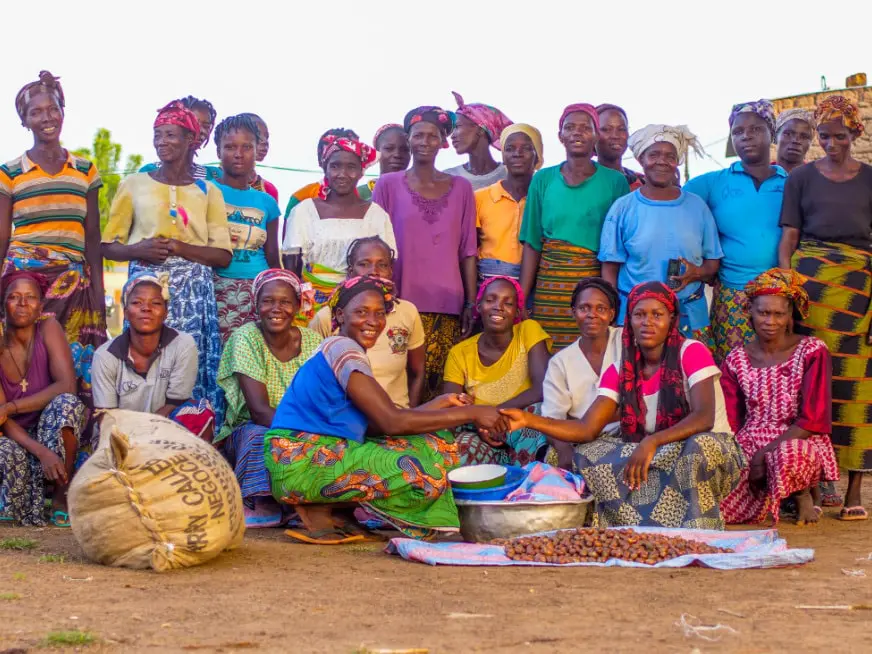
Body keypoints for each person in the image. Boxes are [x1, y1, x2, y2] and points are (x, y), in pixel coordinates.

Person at [264, 275, 509, 544]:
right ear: (340, 315)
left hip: (309, 457)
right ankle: (320, 506)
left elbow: (376, 425)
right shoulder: (344, 350)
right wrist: (474, 413)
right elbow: (391, 422)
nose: (373, 321)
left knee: (435, 443)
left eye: (379, 313)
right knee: (422, 468)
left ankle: (334, 510)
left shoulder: (346, 350)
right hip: (300, 462)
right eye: (361, 312)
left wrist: (439, 403)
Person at [502, 282, 744, 529]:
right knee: (586, 453)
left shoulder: (691, 352)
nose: (647, 322)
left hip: (707, 446)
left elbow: (704, 417)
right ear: (629, 321)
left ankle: (697, 527)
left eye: (657, 315)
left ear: (671, 319)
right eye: (639, 315)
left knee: (697, 447)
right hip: (659, 449)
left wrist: (652, 442)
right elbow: (587, 429)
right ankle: (631, 525)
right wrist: (528, 419)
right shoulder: (620, 369)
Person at [103, 100, 232, 428]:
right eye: (157, 135)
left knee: (187, 368)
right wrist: (140, 248)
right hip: (147, 290)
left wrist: (179, 247)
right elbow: (108, 246)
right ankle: (138, 431)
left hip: (193, 296)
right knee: (145, 364)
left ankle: (191, 434)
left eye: (171, 135)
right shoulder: (134, 184)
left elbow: (222, 255)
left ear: (191, 139)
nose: (162, 142)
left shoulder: (208, 191)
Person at [778, 95, 872, 520]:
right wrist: (790, 294)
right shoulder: (801, 178)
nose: (831, 144)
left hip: (857, 291)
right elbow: (789, 240)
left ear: (856, 133)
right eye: (824, 136)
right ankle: (814, 485)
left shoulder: (870, 179)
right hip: (810, 289)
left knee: (856, 387)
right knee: (812, 386)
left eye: (840, 136)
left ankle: (854, 488)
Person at [0, 71, 107, 408]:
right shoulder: (10, 172)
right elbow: (2, 235)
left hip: (74, 284)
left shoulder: (85, 170)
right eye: (36, 112)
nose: (46, 118)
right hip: (23, 280)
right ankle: (18, 424)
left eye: (53, 109)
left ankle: (65, 430)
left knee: (72, 362)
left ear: (63, 111)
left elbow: (92, 237)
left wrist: (99, 292)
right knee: (23, 356)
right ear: (24, 121)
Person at [372, 106, 478, 401]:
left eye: (433, 136)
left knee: (437, 384)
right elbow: (377, 245)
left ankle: (432, 431)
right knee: (395, 379)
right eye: (418, 135)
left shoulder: (461, 188)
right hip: (398, 300)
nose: (424, 142)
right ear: (408, 139)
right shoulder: (388, 185)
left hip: (447, 302)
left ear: (443, 142)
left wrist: (470, 302)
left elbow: (468, 249)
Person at [719, 269, 838, 525]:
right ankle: (769, 499)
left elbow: (813, 419)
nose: (770, 321)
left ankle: (802, 494)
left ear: (789, 316)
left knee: (790, 454)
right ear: (750, 311)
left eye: (778, 314)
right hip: (752, 438)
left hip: (798, 437)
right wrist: (740, 455)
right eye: (763, 313)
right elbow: (731, 418)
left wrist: (763, 455)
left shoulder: (811, 350)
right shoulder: (736, 358)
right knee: (727, 512)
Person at [519, 104, 630, 350]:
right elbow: (532, 243)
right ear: (560, 136)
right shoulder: (543, 179)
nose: (577, 133)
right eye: (569, 128)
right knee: (547, 354)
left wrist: (611, 299)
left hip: (594, 285)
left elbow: (616, 249)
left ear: (596, 135)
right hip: (549, 286)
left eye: (585, 128)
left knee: (592, 353)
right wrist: (521, 297)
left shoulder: (616, 182)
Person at [217, 269, 321, 527]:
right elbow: (259, 411)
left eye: (285, 302)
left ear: (298, 306)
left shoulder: (313, 341)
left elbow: (320, 398)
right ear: (256, 305)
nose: (276, 309)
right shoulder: (246, 338)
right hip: (252, 427)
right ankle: (262, 502)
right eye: (268, 301)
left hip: (303, 426)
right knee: (259, 436)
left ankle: (301, 503)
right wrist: (310, 431)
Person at [600, 124, 720, 347]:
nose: (662, 161)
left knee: (691, 368)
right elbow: (610, 268)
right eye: (654, 155)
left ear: (677, 162)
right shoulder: (623, 208)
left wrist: (696, 273)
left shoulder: (697, 207)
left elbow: (713, 263)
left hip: (690, 315)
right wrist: (613, 313)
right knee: (637, 369)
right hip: (637, 317)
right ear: (641, 159)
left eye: (670, 156)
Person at [685, 101, 786, 363]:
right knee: (733, 372)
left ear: (771, 132)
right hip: (732, 299)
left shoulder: (791, 183)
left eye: (755, 129)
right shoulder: (713, 182)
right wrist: (701, 267)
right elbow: (673, 204)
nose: (746, 136)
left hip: (781, 297)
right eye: (738, 131)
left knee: (776, 373)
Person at [0, 272, 85, 527]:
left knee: (67, 404)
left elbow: (66, 385)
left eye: (30, 297)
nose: (23, 303)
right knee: (5, 451)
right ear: (3, 305)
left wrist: (11, 406)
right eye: (14, 297)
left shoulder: (49, 328)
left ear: (40, 307)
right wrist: (42, 453)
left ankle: (61, 494)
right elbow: (1, 418)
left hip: (50, 430)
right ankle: (19, 502)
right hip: (15, 437)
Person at [283, 132, 395, 318]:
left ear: (361, 171)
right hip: (311, 307)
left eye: (351, 167)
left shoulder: (376, 215)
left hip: (363, 306)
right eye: (335, 166)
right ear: (325, 168)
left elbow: (388, 264)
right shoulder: (304, 211)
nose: (342, 174)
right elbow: (292, 268)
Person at [442, 276, 551, 465]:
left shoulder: (528, 331)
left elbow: (542, 388)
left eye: (508, 303)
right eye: (490, 300)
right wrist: (479, 420)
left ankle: (525, 481)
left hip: (522, 426)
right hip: (481, 432)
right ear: (479, 306)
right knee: (460, 447)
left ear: (517, 312)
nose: (498, 307)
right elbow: (451, 406)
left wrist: (492, 414)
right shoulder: (459, 353)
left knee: (539, 411)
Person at [91, 271, 214, 438]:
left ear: (166, 312)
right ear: (125, 312)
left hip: (165, 432)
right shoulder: (105, 356)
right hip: (120, 435)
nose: (146, 308)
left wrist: (149, 436)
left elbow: (175, 404)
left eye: (155, 303)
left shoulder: (183, 345)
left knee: (200, 411)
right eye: (137, 302)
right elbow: (107, 417)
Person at [310, 236, 425, 408]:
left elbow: (418, 372)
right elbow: (312, 376)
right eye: (364, 264)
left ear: (391, 271)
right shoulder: (328, 317)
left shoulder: (407, 312)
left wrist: (410, 414)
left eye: (382, 265)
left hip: (397, 415)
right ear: (350, 272)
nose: (374, 271)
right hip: (344, 418)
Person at [211, 114, 281, 343]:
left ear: (256, 150)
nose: (238, 154)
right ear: (218, 151)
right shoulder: (204, 191)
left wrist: (282, 290)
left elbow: (273, 256)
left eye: (247, 147)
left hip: (258, 292)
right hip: (216, 288)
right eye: (230, 147)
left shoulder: (267, 202)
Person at [541, 278, 622, 470]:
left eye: (601, 309)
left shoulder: (626, 342)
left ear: (611, 314)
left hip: (626, 435)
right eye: (584, 308)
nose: (592, 315)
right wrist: (564, 449)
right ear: (573, 312)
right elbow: (551, 420)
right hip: (581, 440)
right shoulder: (560, 362)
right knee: (553, 458)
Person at [475, 124, 544, 283]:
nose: (517, 154)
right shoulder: (480, 198)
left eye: (526, 148)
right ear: (503, 156)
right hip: (488, 284)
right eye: (510, 148)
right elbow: (470, 251)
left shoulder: (544, 200)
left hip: (534, 283)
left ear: (537, 156)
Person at [283, 128, 360, 233]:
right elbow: (288, 240)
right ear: (321, 160)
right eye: (330, 152)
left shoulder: (365, 201)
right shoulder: (300, 198)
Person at [140, 96, 221, 181]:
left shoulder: (214, 175)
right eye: (193, 123)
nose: (201, 130)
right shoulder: (148, 173)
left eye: (206, 126)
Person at [444, 91, 513, 191]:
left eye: (457, 126)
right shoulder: (448, 179)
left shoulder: (511, 176)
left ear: (480, 129)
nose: (452, 136)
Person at [595, 104, 645, 190]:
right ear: (593, 134)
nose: (615, 136)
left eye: (622, 129)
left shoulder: (643, 183)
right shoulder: (580, 182)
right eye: (606, 129)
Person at [357, 124, 411, 201]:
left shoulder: (421, 194)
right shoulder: (359, 195)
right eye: (389, 148)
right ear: (377, 153)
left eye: (405, 149)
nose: (397, 154)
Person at [240, 113, 279, 202]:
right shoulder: (213, 181)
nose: (265, 142)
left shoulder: (269, 189)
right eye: (258, 136)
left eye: (266, 137)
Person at [774, 109, 815, 174]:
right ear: (775, 137)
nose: (796, 140)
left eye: (804, 137)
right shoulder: (760, 176)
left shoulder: (817, 178)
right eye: (788, 134)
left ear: (810, 143)